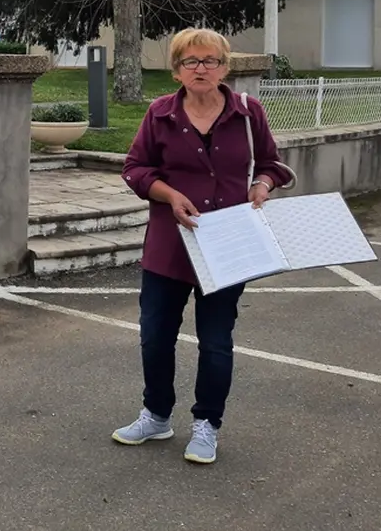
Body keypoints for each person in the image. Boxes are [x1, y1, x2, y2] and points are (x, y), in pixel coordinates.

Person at [114, 28, 294, 464]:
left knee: (216, 341)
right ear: (176, 71)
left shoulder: (249, 113)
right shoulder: (159, 114)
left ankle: (207, 424)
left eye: (210, 60)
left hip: (228, 246)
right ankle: (156, 415)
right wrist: (169, 195)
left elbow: (272, 164)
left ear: (224, 67)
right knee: (155, 336)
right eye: (190, 61)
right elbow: (135, 169)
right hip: (169, 246)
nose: (201, 68)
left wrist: (262, 184)